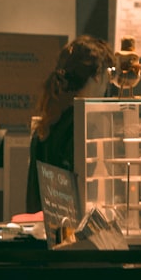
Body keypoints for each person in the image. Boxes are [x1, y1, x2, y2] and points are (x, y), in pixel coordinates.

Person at [25, 35, 115, 214]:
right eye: (109, 73)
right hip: (72, 230)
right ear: (97, 75)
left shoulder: (54, 118)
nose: (108, 82)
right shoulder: (83, 125)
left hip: (48, 229)